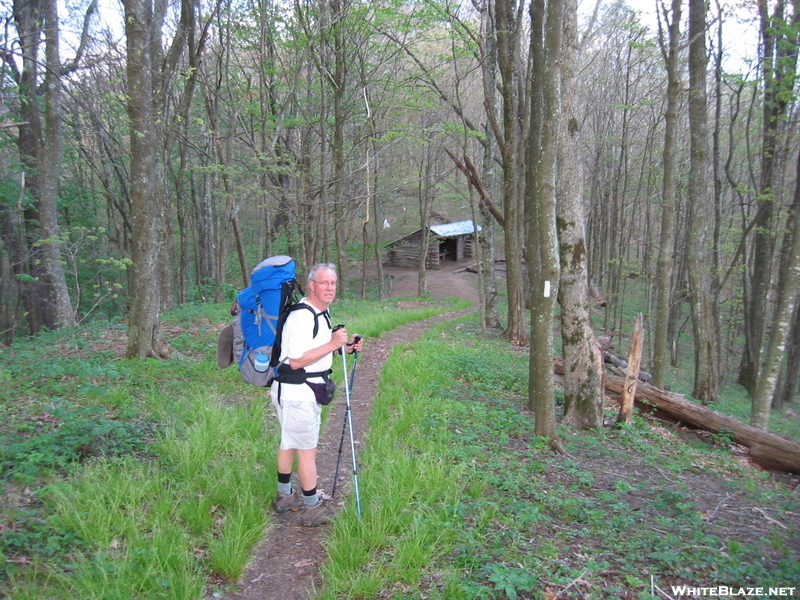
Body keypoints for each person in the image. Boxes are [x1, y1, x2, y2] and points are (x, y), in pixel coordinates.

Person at [271, 262, 362, 526]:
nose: (329, 288)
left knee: (288, 442)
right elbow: (296, 360)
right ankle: (312, 509)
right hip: (298, 392)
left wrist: (342, 349)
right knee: (307, 451)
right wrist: (334, 343)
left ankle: (284, 496)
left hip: (294, 390)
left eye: (332, 283)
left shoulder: (321, 312)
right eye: (323, 283)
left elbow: (315, 350)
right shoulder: (303, 316)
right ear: (312, 285)